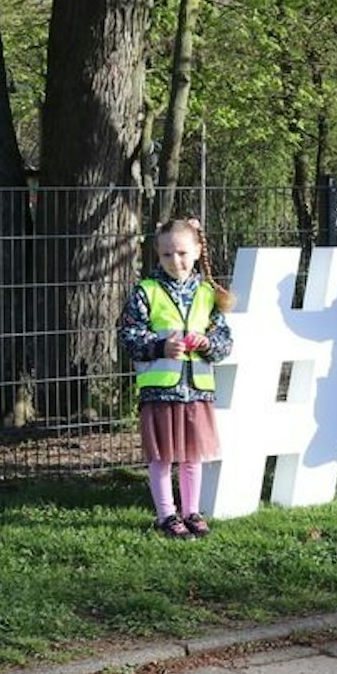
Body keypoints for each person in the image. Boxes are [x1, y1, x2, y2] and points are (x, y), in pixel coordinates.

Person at [119, 218, 234, 539]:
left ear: (197, 251)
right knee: (162, 456)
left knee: (191, 455)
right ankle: (166, 514)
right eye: (167, 255)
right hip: (160, 393)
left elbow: (224, 342)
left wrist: (208, 344)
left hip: (197, 392)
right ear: (158, 253)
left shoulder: (208, 294)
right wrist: (159, 346)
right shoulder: (146, 292)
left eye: (182, 253)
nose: (176, 261)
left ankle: (191, 511)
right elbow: (129, 337)